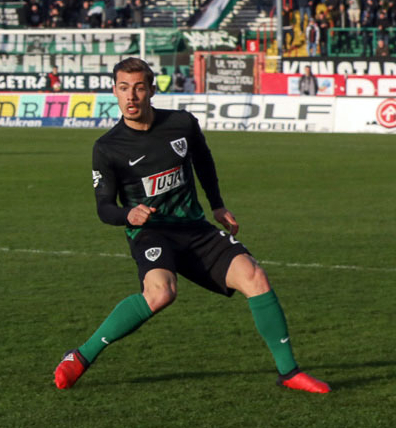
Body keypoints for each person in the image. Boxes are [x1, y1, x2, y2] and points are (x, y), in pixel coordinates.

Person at [54, 57, 329, 394]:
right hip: (152, 232)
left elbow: (203, 161)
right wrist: (128, 215)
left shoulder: (181, 124)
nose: (132, 96)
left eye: (139, 87)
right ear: (114, 90)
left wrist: (217, 205)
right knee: (161, 293)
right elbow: (104, 208)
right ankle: (81, 356)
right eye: (124, 88)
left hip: (194, 229)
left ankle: (289, 372)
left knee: (255, 277)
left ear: (152, 89)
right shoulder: (108, 147)